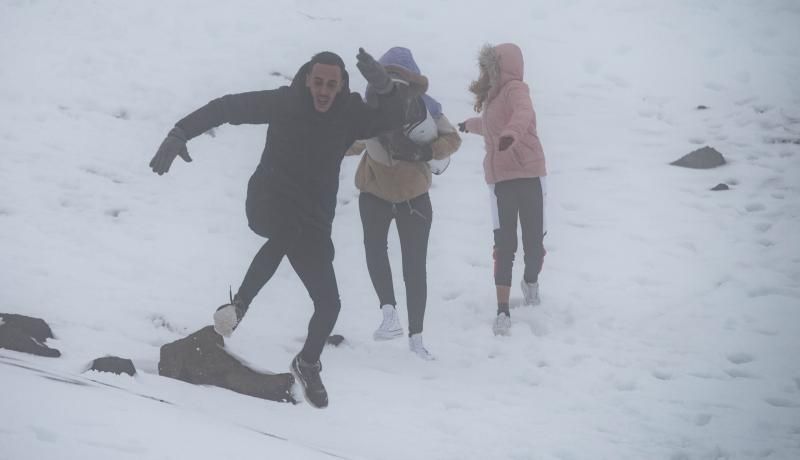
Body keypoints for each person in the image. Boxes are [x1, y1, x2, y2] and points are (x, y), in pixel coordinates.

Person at [149, 49, 409, 408]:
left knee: (329, 303)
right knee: (288, 228)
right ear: (307, 79)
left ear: (341, 86)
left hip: (313, 221)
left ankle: (307, 362)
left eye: (331, 84)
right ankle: (238, 306)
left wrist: (384, 86)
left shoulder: (349, 114)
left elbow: (396, 117)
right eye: (317, 82)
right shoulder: (285, 103)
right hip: (267, 203)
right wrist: (181, 131)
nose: (323, 90)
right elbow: (227, 107)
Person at [346, 47, 461, 360]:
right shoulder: (370, 110)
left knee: (414, 266)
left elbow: (453, 140)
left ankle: (416, 336)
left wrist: (425, 152)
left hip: (412, 196)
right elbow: (352, 142)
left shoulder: (427, 108)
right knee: (376, 250)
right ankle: (390, 315)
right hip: (376, 192)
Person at [458, 43, 547, 336]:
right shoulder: (492, 99)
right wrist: (469, 125)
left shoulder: (515, 90)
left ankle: (530, 281)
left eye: (488, 68)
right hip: (500, 182)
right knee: (504, 245)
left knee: (534, 243)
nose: (484, 74)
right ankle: (502, 311)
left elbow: (524, 114)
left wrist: (511, 134)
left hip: (530, 174)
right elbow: (489, 126)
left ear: (500, 68)